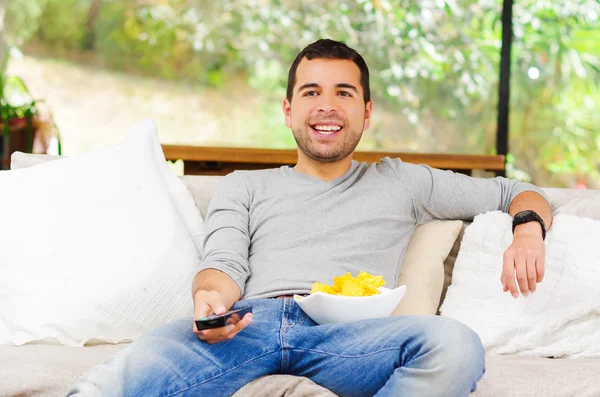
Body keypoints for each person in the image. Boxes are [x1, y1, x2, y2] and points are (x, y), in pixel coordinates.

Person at [67, 39, 552, 397]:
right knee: (107, 383)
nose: (326, 105)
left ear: (365, 112)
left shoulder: (402, 181)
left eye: (343, 93)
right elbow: (223, 263)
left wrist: (528, 229)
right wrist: (211, 301)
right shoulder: (244, 184)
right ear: (288, 109)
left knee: (456, 344)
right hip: (248, 325)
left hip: (351, 337)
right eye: (311, 92)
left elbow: (516, 190)